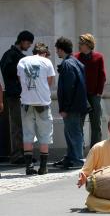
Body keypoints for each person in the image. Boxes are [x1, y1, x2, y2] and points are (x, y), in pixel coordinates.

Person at [17, 43, 55, 175]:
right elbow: (49, 82)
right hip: (42, 103)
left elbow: (20, 80)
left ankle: (29, 167)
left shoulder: (22, 61)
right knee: (45, 135)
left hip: (26, 103)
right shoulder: (47, 62)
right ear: (44, 53)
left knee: (28, 135)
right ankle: (43, 167)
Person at [0, 30, 34, 164]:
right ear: (23, 41)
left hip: (18, 94)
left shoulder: (14, 55)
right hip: (15, 95)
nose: (29, 46)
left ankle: (24, 154)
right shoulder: (12, 56)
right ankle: (17, 155)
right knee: (17, 125)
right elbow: (8, 73)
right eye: (29, 43)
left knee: (23, 125)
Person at [55, 37, 87, 169]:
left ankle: (78, 159)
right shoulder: (76, 62)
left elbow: (68, 88)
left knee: (73, 132)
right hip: (79, 104)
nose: (56, 52)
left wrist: (64, 108)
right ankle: (71, 157)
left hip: (72, 106)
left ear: (61, 50)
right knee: (73, 131)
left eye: (57, 50)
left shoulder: (67, 64)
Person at [74, 33, 106, 148]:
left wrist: (99, 92)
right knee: (79, 123)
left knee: (96, 123)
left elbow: (102, 75)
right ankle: (79, 149)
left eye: (81, 43)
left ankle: (96, 148)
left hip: (94, 95)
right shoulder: (76, 57)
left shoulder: (98, 57)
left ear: (88, 44)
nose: (79, 45)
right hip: (81, 95)